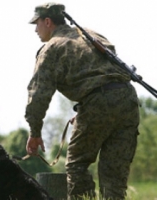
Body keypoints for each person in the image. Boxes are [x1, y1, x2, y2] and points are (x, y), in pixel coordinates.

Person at [24, 2, 140, 200]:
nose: (35, 29)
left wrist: (35, 132)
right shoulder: (91, 35)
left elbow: (38, 95)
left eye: (37, 23)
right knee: (114, 176)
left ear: (48, 21)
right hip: (127, 99)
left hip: (97, 103)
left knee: (77, 165)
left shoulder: (51, 48)